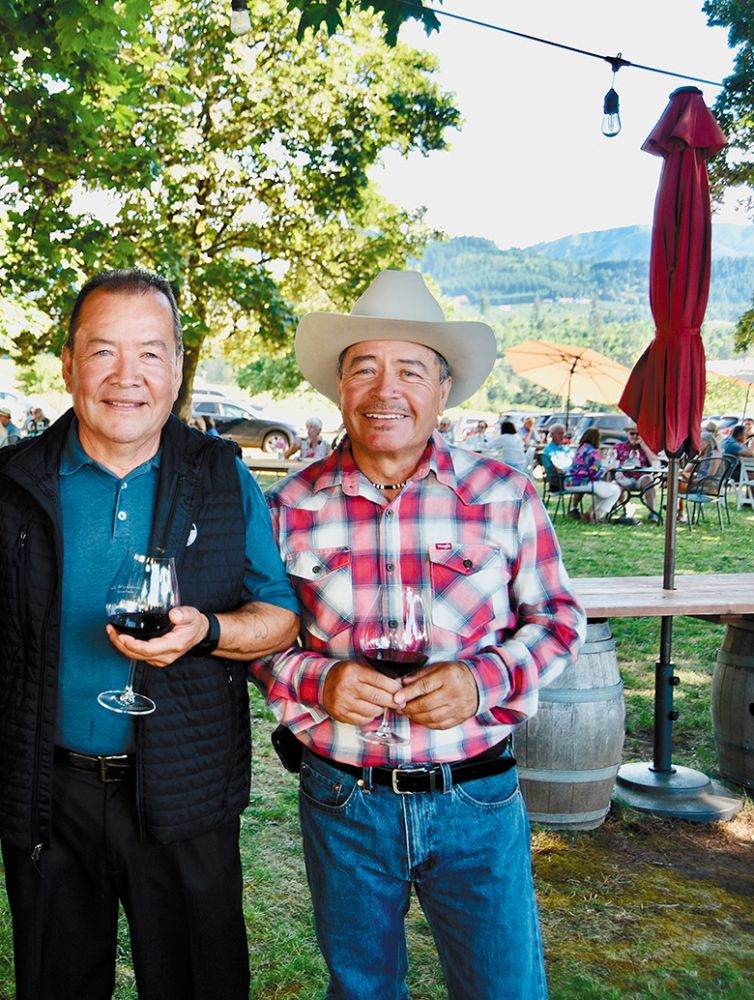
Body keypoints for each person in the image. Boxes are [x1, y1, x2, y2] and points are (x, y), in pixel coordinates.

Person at [252, 270, 586, 1000]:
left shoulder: (503, 494)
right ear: (340, 388)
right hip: (344, 798)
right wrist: (320, 680)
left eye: (409, 370)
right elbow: (258, 640)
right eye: (364, 368)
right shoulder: (286, 507)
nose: (385, 390)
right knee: (363, 990)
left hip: (477, 797)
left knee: (505, 989)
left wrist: (481, 680)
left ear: (442, 389)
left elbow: (560, 620)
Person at [0, 267, 300, 1000]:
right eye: (103, 352)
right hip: (47, 793)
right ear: (69, 365)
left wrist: (206, 633)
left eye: (150, 352)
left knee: (199, 983)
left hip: (185, 791)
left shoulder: (223, 477)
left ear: (177, 365)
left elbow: (280, 617)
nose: (126, 377)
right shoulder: (10, 482)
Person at [569, 427, 625, 522]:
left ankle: (588, 513)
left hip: (570, 481)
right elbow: (595, 473)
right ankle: (598, 515)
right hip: (584, 482)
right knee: (616, 490)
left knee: (603, 492)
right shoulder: (593, 452)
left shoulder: (580, 449)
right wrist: (606, 469)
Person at [613, 425, 661, 523]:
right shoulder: (619, 447)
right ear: (627, 434)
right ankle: (625, 508)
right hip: (625, 476)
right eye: (632, 433)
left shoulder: (647, 447)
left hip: (641, 476)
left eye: (638, 434)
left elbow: (656, 464)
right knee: (616, 485)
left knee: (648, 481)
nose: (635, 436)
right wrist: (617, 470)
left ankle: (652, 512)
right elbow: (612, 462)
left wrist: (644, 447)